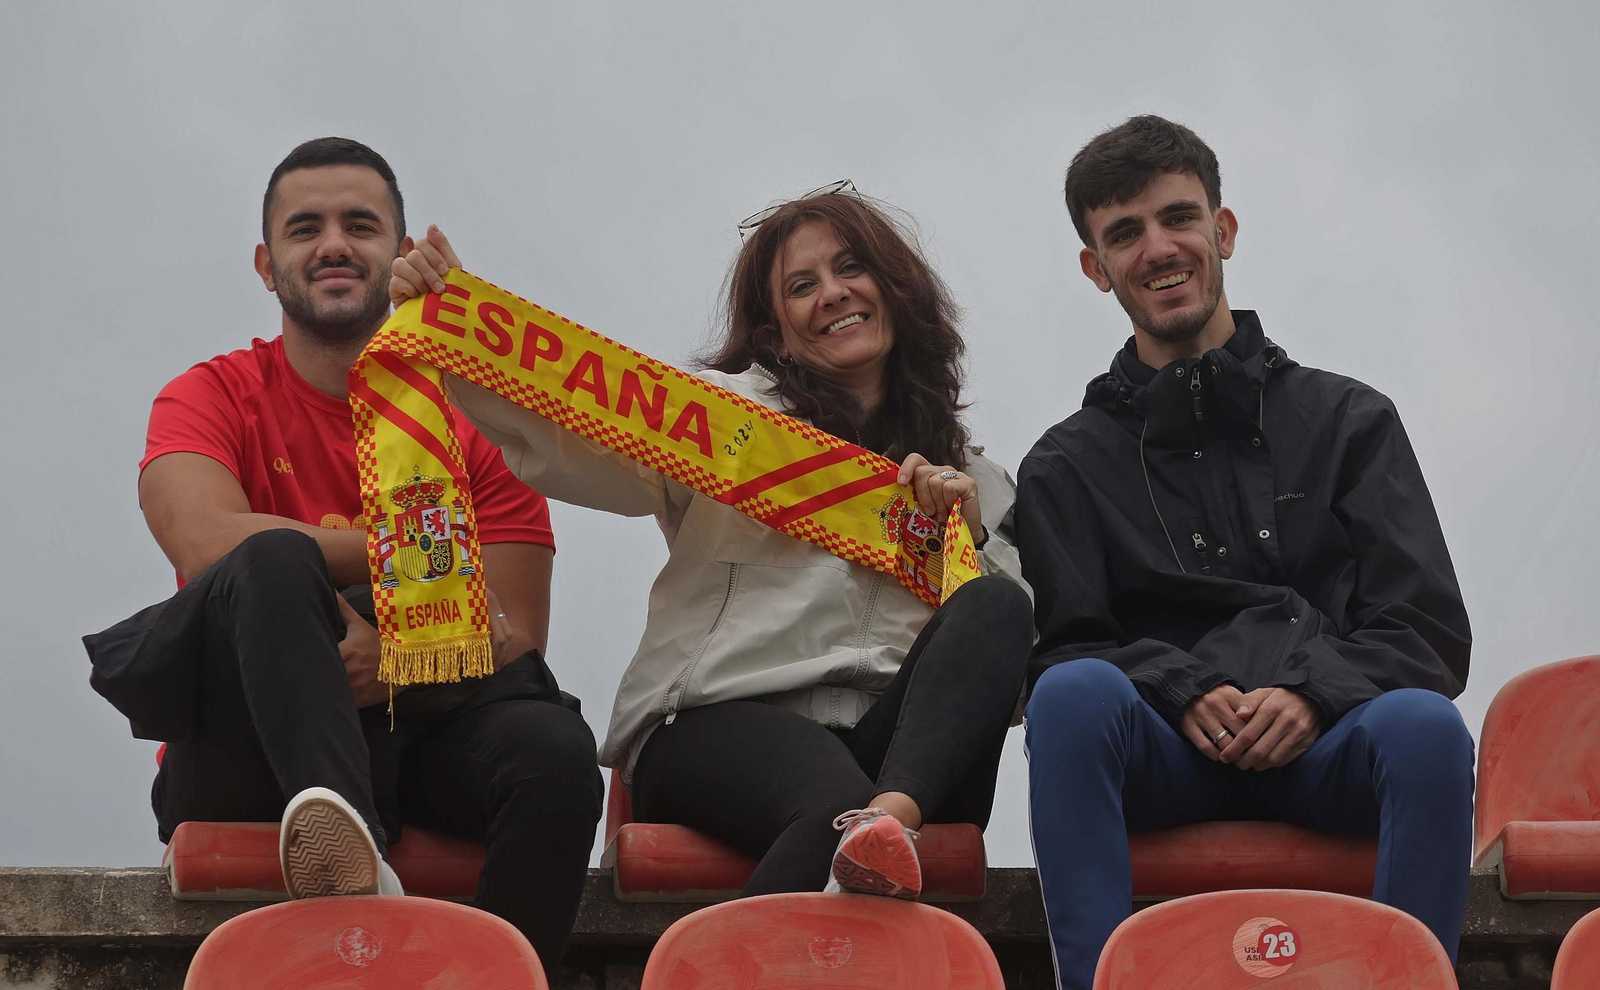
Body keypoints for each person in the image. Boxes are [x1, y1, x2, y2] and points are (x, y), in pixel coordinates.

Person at [389, 185, 1033, 899]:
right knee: (829, 810)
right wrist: (452, 324)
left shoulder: (975, 480)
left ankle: (885, 824)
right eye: (801, 286)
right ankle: (867, 838)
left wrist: (960, 535)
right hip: (722, 722)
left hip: (905, 753)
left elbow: (1005, 671)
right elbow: (567, 428)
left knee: (997, 604)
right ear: (775, 330)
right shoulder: (724, 419)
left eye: (851, 268)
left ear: (895, 286)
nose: (832, 293)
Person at [83, 137, 603, 965]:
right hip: (242, 743)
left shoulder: (475, 425)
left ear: (400, 254)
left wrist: (390, 661)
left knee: (558, 755)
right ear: (265, 263)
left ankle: (497, 978)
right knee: (266, 561)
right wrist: (418, 556)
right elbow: (205, 539)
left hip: (421, 731)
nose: (332, 244)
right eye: (305, 228)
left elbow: (515, 637)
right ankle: (351, 870)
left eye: (360, 225)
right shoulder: (210, 393)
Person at [1016, 115, 1475, 988]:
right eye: (1124, 234)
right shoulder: (1065, 465)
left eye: (1177, 218)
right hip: (1161, 749)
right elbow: (1065, 648)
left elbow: (1425, 629)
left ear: (1222, 231)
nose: (1158, 249)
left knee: (1427, 726)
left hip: (1332, 743)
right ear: (1095, 268)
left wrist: (1310, 693)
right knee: (1070, 696)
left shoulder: (1351, 421)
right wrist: (1181, 689)